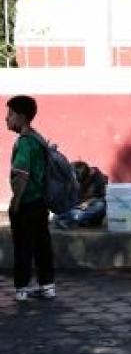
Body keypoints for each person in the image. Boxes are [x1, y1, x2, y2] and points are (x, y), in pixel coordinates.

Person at [5, 95, 55, 302]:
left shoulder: (24, 142)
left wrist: (15, 203)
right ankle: (47, 286)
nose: (6, 118)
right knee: (42, 245)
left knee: (23, 247)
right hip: (41, 203)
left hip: (26, 204)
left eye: (10, 114)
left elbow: (21, 175)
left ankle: (22, 289)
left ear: (22, 117)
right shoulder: (37, 138)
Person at [55, 162, 108, 229]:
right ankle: (72, 218)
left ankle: (69, 218)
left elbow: (103, 198)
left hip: (90, 208)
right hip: (78, 207)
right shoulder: (76, 178)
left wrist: (88, 203)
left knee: (100, 205)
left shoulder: (99, 178)